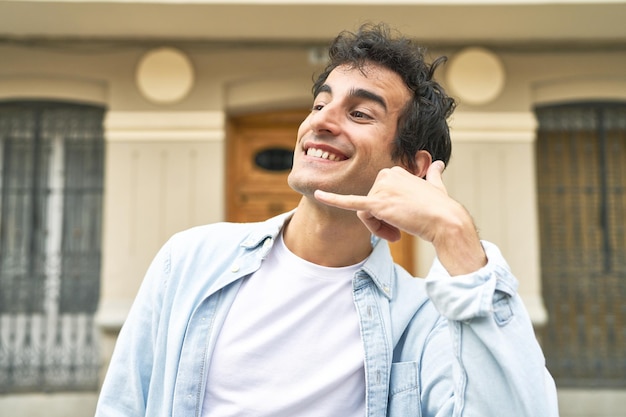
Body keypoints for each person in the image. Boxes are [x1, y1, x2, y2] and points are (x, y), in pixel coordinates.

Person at [95, 23, 559, 417]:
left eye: (359, 113)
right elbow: (122, 405)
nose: (321, 121)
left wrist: (455, 236)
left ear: (414, 169)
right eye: (320, 105)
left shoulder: (422, 319)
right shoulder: (190, 261)